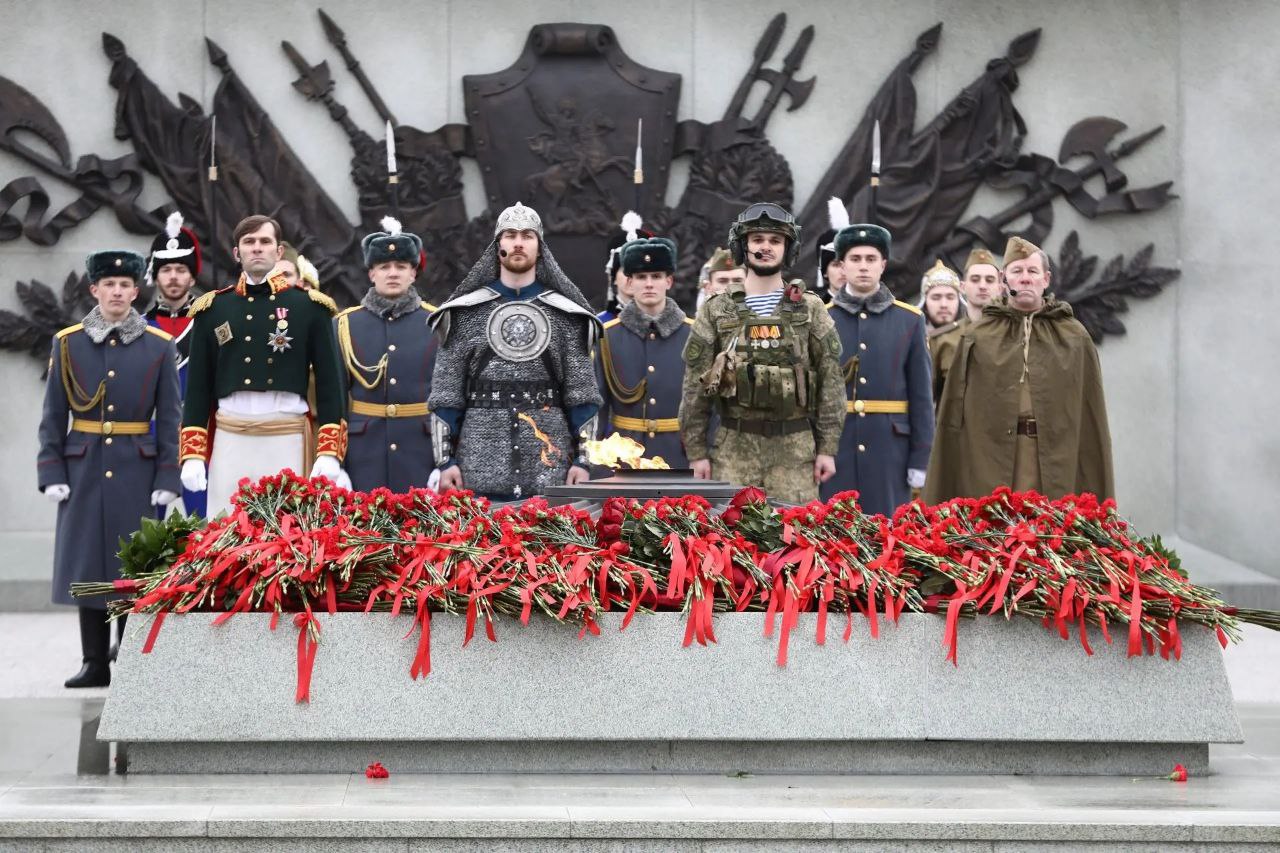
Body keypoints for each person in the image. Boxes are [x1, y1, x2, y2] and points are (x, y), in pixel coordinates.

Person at [37, 249, 181, 687]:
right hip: (83, 467)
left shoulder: (158, 345)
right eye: (109, 285)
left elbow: (170, 417)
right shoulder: (69, 342)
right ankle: (94, 662)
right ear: (94, 290)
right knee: (88, 566)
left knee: (133, 567)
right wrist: (52, 473)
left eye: (125, 285)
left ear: (137, 292)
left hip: (137, 469)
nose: (117, 292)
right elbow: (52, 414)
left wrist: (167, 476)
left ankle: (131, 662)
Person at [178, 215, 349, 516]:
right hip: (231, 438)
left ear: (279, 252)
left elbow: (330, 385)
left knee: (286, 541)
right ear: (236, 253)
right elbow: (197, 389)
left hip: (286, 439)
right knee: (225, 534)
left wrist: (329, 452)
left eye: (265, 241)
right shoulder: (213, 309)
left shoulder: (310, 308)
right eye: (249, 242)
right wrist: (192, 454)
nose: (257, 248)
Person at [429, 202, 602, 499]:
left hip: (551, 473)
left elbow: (582, 396)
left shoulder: (567, 316)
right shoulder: (464, 313)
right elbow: (446, 394)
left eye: (527, 235)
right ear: (498, 245)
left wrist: (584, 461)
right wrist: (446, 462)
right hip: (477, 474)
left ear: (540, 246)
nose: (518, 242)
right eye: (510, 235)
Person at [925, 236, 1115, 502]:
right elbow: (954, 413)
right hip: (989, 460)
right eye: (1017, 271)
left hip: (1055, 458)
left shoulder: (1073, 336)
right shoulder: (978, 336)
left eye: (1032, 271)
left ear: (1046, 279)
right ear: (1005, 279)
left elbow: (1090, 413)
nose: (1025, 279)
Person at [679, 202, 845, 505]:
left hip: (795, 452)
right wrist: (697, 453)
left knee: (796, 541)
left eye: (775, 241)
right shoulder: (716, 310)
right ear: (743, 248)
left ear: (788, 248)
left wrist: (827, 449)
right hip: (732, 451)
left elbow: (831, 382)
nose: (765, 247)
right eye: (757, 240)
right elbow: (695, 387)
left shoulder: (810, 309)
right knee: (729, 543)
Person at [820, 224, 933, 515]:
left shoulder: (909, 320)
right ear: (842, 265)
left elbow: (921, 398)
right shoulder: (822, 319)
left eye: (871, 259)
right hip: (835, 451)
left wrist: (920, 459)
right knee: (835, 536)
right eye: (855, 259)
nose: (863, 267)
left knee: (888, 539)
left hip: (890, 452)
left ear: (883, 265)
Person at [336, 217, 438, 492]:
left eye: (401, 266)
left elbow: (449, 397)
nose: (392, 273)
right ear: (371, 273)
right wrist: (336, 460)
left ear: (413, 273)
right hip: (362, 454)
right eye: (384, 266)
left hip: (422, 453)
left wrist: (447, 459)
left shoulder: (438, 323)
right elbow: (334, 399)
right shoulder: (344, 325)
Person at [596, 236, 691, 466]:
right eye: (641, 277)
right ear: (630, 282)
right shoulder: (607, 335)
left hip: (679, 455)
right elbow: (596, 404)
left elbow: (708, 404)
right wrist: (584, 460)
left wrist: (702, 455)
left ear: (669, 281)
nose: (649, 284)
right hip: (623, 458)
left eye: (656, 276)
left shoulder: (693, 333)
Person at [143, 211, 206, 516]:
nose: (173, 277)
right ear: (155, 276)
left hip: (199, 438)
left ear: (192, 276)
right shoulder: (139, 328)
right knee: (145, 533)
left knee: (206, 529)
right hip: (150, 440)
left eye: (181, 269)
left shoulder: (210, 324)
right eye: (166, 269)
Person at [918, 259, 966, 407]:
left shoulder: (971, 337)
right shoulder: (910, 337)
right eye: (936, 297)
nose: (944, 304)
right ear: (925, 301)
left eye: (950, 297)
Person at [598, 211, 649, 322]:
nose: (632, 277)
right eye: (626, 270)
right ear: (613, 278)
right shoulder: (598, 325)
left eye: (638, 271)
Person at [812, 196, 851, 303]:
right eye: (836, 264)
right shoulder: (812, 313)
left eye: (848, 264)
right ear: (825, 272)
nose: (843, 272)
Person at [961, 246, 1003, 324]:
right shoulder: (949, 335)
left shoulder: (1016, 333)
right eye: (975, 280)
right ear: (963, 287)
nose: (982, 286)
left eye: (989, 280)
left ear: (1000, 288)